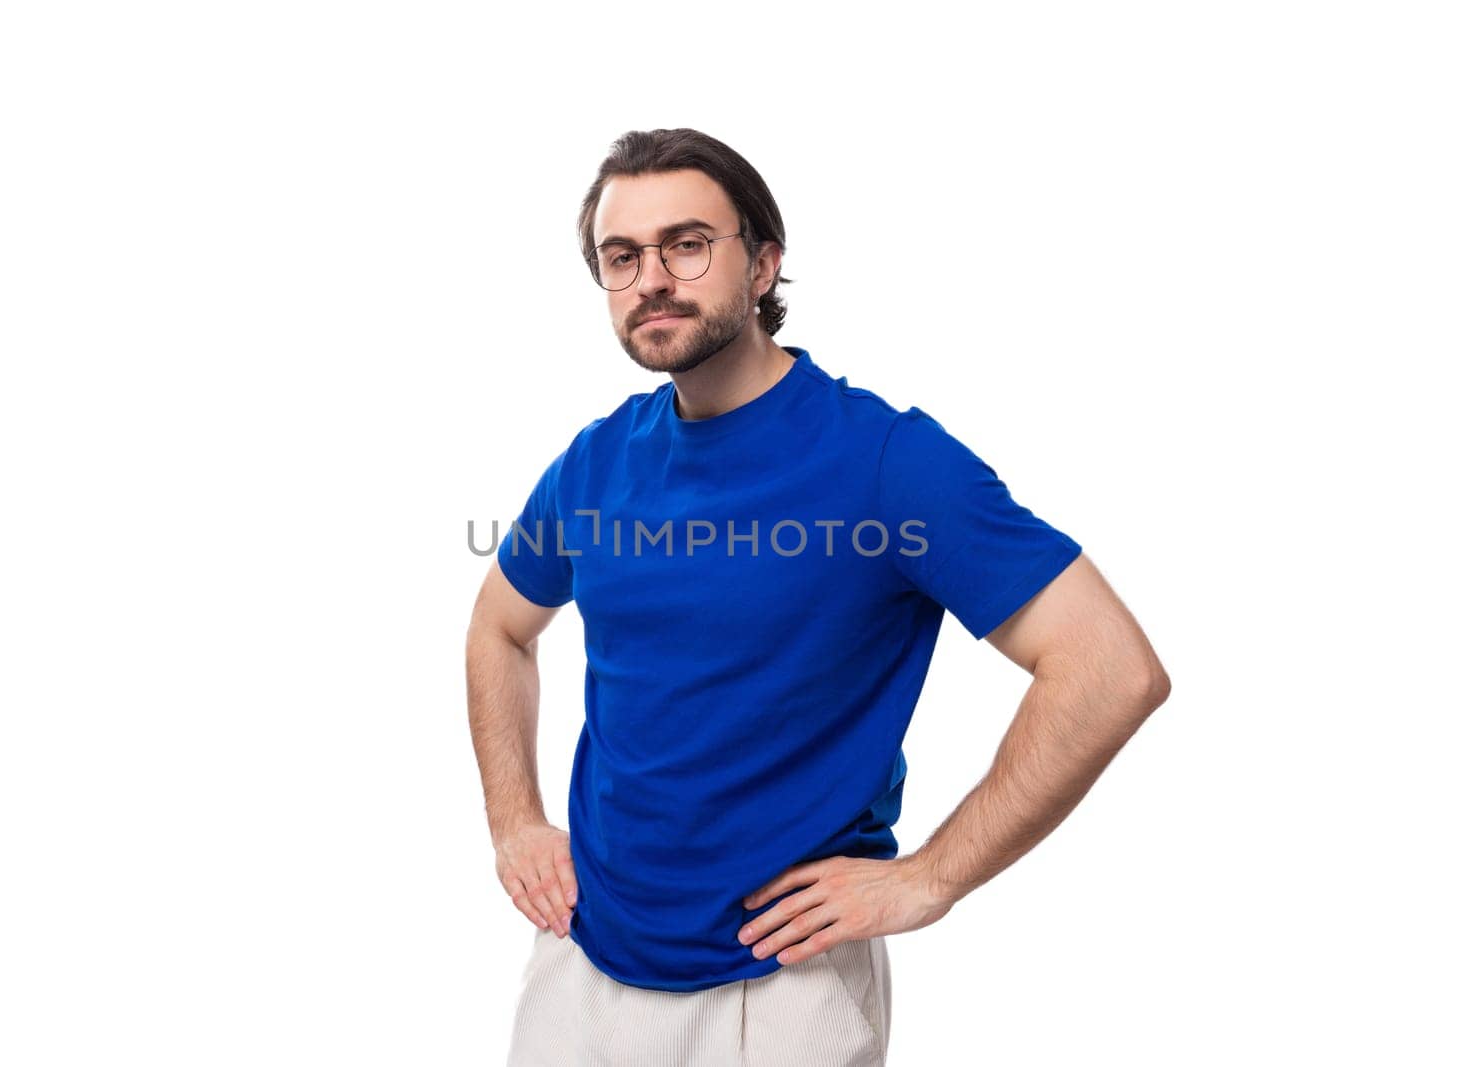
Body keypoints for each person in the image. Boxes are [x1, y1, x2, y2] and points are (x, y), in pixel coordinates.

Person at [466, 128, 1171, 1066]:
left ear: (763, 264)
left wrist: (932, 878)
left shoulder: (887, 463)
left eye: (687, 244)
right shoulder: (595, 461)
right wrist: (515, 821)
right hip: (582, 964)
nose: (652, 281)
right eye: (621, 257)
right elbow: (499, 630)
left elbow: (1111, 667)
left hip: (781, 985)